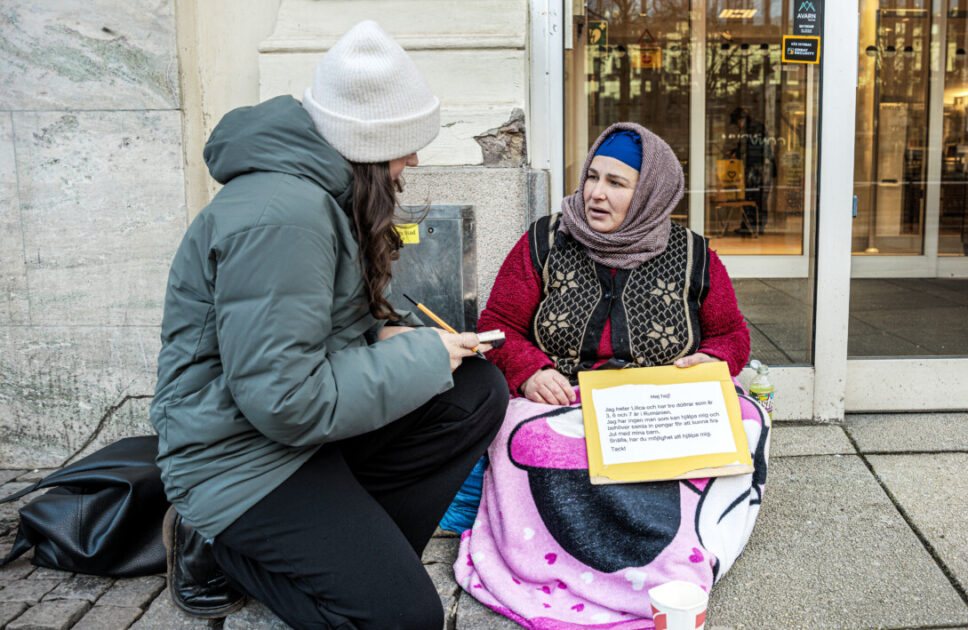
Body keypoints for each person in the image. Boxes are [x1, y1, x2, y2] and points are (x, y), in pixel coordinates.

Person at [150, 21, 507, 630]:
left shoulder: (320, 195)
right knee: (404, 620)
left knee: (472, 391)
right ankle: (222, 548)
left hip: (289, 439)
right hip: (240, 459)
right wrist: (420, 358)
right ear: (368, 143)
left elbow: (313, 335)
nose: (413, 160)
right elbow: (285, 398)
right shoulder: (284, 219)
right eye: (405, 145)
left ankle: (359, 555)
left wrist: (387, 337)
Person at [453, 122, 769, 628]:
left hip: (658, 402)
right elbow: (500, 324)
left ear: (649, 194)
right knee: (521, 433)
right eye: (592, 177)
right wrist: (530, 371)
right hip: (564, 397)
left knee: (747, 420)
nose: (596, 194)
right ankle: (551, 564)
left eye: (617, 183)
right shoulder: (544, 240)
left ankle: (672, 564)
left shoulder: (694, 254)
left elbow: (731, 333)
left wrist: (715, 360)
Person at [728, 107, 771, 236]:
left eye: (737, 123)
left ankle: (751, 226)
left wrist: (736, 153)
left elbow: (750, 150)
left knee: (752, 197)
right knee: (758, 199)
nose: (737, 126)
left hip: (756, 169)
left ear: (740, 119)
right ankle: (754, 226)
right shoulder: (756, 128)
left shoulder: (751, 129)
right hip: (760, 169)